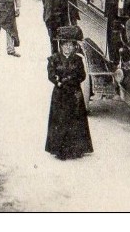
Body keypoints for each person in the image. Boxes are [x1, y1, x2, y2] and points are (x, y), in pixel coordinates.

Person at [45, 27, 94, 160]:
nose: (67, 48)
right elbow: (51, 75)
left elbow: (82, 76)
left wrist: (72, 80)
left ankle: (75, 150)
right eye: (65, 45)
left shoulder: (78, 60)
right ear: (61, 46)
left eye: (70, 45)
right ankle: (60, 150)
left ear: (74, 47)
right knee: (60, 120)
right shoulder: (53, 59)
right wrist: (59, 82)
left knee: (75, 120)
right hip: (60, 94)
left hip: (74, 93)